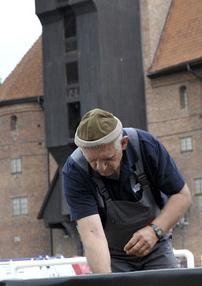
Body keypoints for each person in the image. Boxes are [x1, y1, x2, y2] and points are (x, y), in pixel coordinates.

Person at [62, 108, 192, 273]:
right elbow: (92, 235)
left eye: (108, 159)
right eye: (92, 161)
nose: (100, 168)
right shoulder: (75, 170)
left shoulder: (146, 146)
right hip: (111, 255)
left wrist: (155, 231)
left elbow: (182, 195)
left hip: (156, 245)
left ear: (123, 143)